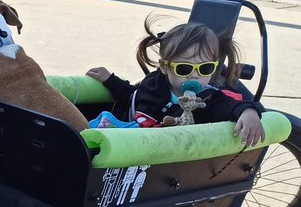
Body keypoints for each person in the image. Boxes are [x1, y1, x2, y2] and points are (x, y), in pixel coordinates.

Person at [87, 20, 264, 145]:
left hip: (163, 157)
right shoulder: (154, 83)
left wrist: (248, 112)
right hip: (131, 139)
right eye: (184, 69)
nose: (194, 76)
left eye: (206, 68)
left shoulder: (209, 99)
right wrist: (110, 80)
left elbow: (229, 106)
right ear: (165, 67)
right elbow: (133, 96)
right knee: (97, 124)